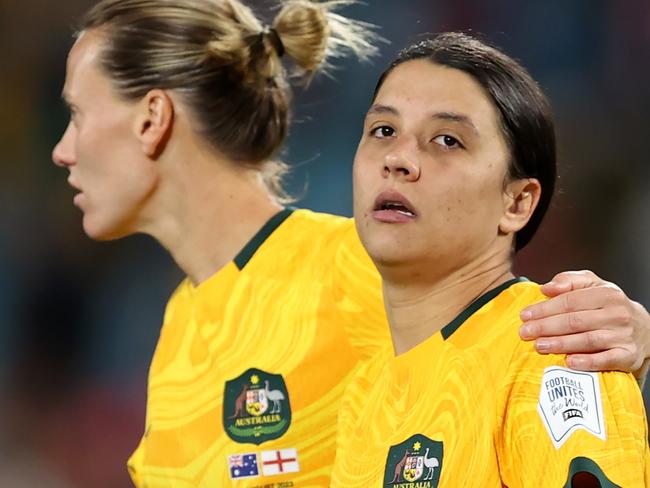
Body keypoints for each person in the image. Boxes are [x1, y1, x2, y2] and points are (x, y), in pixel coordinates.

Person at [51, 1, 650, 486]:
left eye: (78, 114)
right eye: (382, 131)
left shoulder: (359, 268)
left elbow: (504, 339)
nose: (63, 150)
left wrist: (624, 337)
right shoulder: (176, 334)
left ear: (153, 116)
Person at [331, 32, 649, 487]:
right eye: (383, 130)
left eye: (447, 140)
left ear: (517, 203)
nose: (398, 158)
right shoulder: (363, 395)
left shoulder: (553, 357)